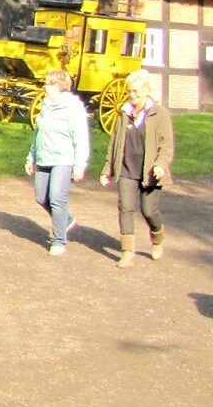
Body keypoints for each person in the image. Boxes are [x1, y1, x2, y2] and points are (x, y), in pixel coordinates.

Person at [99, 69, 175, 268]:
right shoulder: (123, 113)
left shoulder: (160, 113)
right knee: (125, 207)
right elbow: (114, 143)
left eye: (136, 92)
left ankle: (157, 238)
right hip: (126, 169)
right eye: (129, 91)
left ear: (147, 91)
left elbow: (166, 145)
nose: (132, 96)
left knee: (149, 210)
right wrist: (107, 169)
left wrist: (160, 165)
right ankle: (127, 251)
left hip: (150, 172)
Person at [25, 70, 90, 257]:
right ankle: (66, 219)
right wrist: (31, 156)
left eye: (48, 83)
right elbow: (39, 133)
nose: (45, 86)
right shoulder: (45, 106)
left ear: (59, 86)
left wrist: (79, 165)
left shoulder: (73, 108)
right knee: (41, 197)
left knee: (56, 198)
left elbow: (81, 138)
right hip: (44, 157)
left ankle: (59, 240)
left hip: (63, 159)